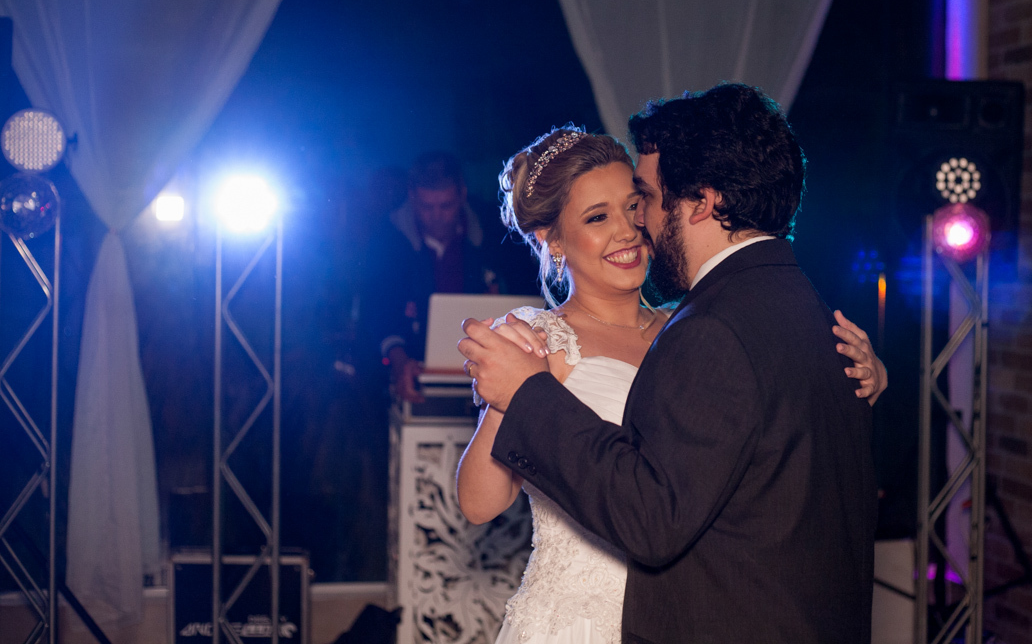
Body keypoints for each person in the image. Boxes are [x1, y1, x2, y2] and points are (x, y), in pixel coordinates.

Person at [457, 90, 883, 643]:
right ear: (552, 240)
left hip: (685, 610)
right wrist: (509, 399)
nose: (630, 229)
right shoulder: (537, 339)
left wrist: (862, 380)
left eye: (637, 205)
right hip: (579, 618)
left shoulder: (692, 327)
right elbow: (478, 503)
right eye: (597, 216)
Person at [360, 152, 527, 403]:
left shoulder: (496, 230)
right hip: (415, 367)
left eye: (446, 205)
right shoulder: (387, 238)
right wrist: (398, 358)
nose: (436, 215)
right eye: (427, 207)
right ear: (412, 196)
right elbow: (378, 310)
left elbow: (525, 291)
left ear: (462, 194)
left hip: (488, 367)